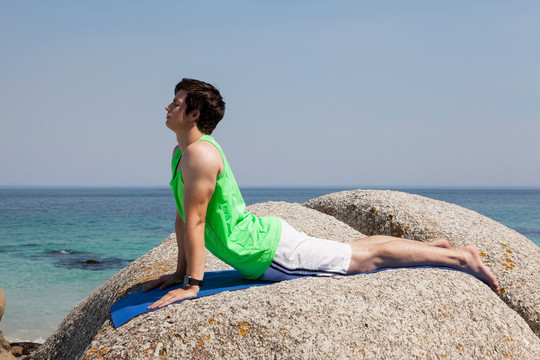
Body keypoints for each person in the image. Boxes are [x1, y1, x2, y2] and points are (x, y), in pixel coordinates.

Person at [143, 78, 499, 309]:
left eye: (176, 102)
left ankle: (461, 259)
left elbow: (197, 221)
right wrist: (179, 272)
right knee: (354, 249)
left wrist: (192, 285)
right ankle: (431, 248)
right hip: (264, 240)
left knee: (364, 260)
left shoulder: (200, 154)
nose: (167, 107)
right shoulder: (182, 154)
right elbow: (183, 214)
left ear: (194, 113)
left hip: (266, 254)